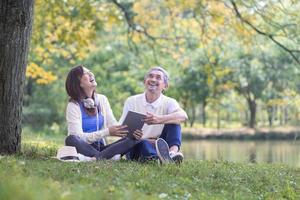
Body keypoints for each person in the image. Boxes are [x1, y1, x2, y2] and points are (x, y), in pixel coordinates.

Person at [64, 65, 143, 161]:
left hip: (101, 148)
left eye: (90, 71)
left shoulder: (102, 99)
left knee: (133, 140)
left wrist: (130, 132)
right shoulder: (73, 105)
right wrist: (107, 132)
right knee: (71, 139)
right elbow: (78, 137)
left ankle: (94, 158)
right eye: (85, 73)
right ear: (78, 83)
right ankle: (105, 157)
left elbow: (113, 124)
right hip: (83, 148)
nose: (91, 74)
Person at [119, 66, 188, 163]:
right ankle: (160, 159)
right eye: (150, 76)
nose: (153, 79)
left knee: (175, 120)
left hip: (161, 146)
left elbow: (183, 116)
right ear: (145, 81)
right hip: (137, 144)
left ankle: (172, 154)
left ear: (165, 85)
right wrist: (147, 141)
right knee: (143, 144)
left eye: (158, 77)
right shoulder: (132, 101)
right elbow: (122, 131)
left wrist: (159, 119)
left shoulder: (169, 102)